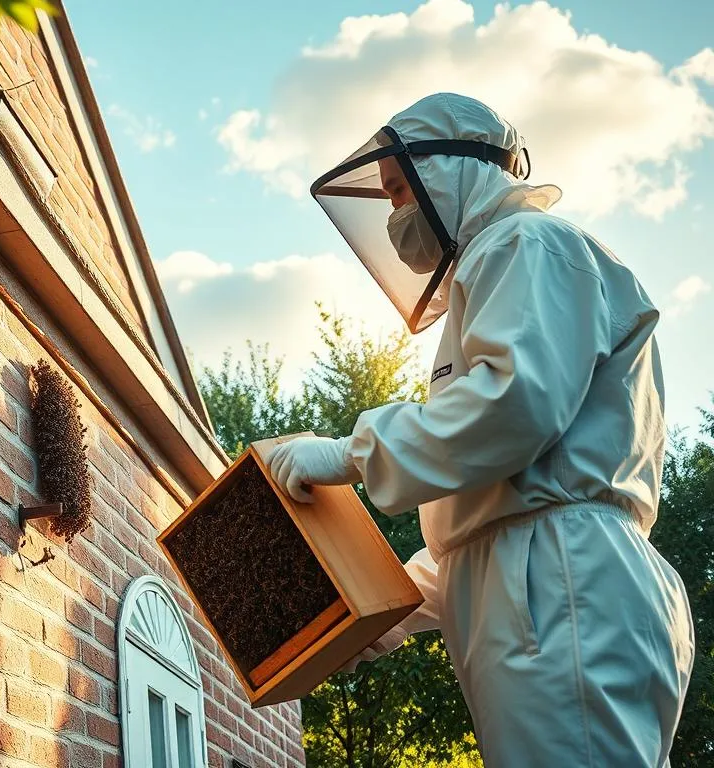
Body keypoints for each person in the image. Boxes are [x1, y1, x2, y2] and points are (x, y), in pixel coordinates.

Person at [263, 93, 694, 767]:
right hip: (547, 581)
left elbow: (513, 407)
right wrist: (369, 618)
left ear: (450, 168)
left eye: (400, 190)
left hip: (562, 585)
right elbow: (484, 521)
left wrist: (351, 454)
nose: (397, 215)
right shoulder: (503, 263)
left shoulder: (528, 243)